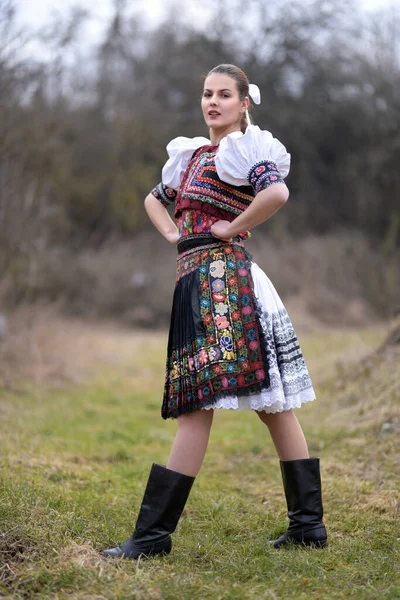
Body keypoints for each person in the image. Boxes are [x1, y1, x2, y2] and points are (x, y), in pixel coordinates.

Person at [102, 64, 328, 560]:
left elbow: (276, 193)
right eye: (207, 94)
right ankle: (307, 527)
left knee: (216, 408)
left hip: (227, 284)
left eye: (225, 94)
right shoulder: (188, 158)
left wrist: (231, 229)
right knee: (268, 407)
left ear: (244, 102)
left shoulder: (245, 151)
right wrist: (171, 234)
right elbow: (153, 199)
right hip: (196, 281)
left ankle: (153, 537)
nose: (213, 102)